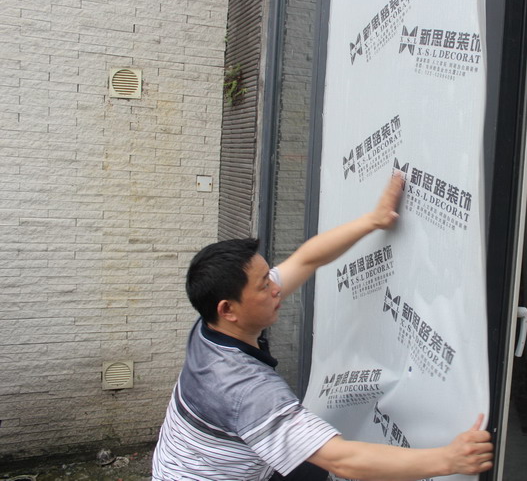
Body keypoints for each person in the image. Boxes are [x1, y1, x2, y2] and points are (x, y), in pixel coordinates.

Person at [152, 173, 494, 480]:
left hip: (188, 463)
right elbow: (344, 460)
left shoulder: (209, 326)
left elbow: (306, 259)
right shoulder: (246, 391)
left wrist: (374, 220)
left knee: (310, 463)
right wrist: (448, 460)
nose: (275, 288)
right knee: (320, 461)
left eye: (269, 276)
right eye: (263, 285)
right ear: (228, 309)